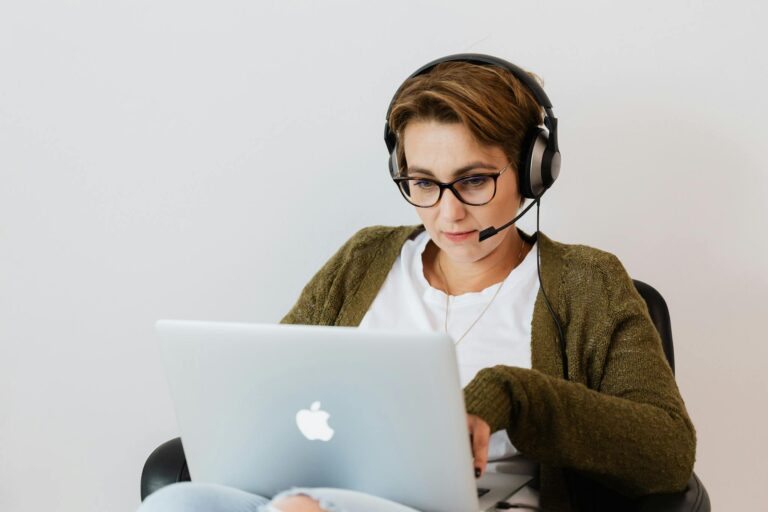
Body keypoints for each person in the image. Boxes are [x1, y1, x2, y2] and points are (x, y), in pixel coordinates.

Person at [138, 55, 696, 512]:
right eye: (423, 182)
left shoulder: (588, 282)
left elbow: (667, 452)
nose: (448, 213)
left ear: (533, 170)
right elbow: (278, 393)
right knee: (178, 503)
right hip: (322, 500)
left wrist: (510, 396)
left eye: (473, 180)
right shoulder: (364, 258)